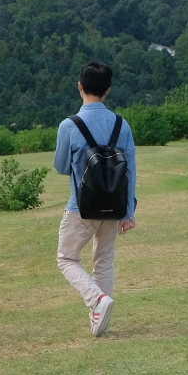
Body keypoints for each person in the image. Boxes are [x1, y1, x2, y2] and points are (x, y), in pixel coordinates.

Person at [52, 61, 137, 338]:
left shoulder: (69, 125)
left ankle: (97, 302)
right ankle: (101, 320)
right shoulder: (121, 125)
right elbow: (130, 170)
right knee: (104, 260)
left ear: (80, 86)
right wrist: (128, 210)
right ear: (107, 90)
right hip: (114, 206)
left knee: (66, 258)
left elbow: (62, 167)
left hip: (82, 207)